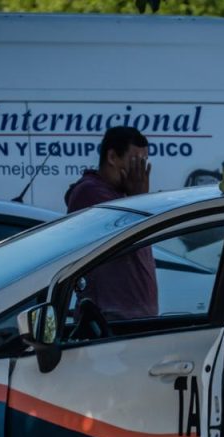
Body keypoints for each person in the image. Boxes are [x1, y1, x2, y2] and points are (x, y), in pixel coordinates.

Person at [64, 126, 157, 320]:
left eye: (143, 163)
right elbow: (129, 233)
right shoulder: (90, 193)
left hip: (130, 319)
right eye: (134, 162)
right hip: (108, 318)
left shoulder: (122, 195)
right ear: (112, 157)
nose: (139, 172)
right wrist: (139, 199)